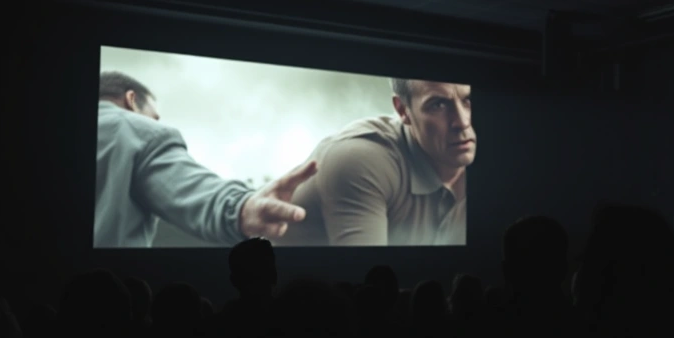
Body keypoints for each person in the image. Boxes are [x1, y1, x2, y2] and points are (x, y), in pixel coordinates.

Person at [95, 72, 318, 248]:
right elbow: (191, 191)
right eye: (154, 118)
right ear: (131, 100)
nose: (155, 124)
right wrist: (242, 206)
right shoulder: (134, 131)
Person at [275, 78, 474, 246]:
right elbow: (366, 282)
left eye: (468, 100)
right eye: (438, 105)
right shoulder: (360, 160)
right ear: (403, 110)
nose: (462, 121)